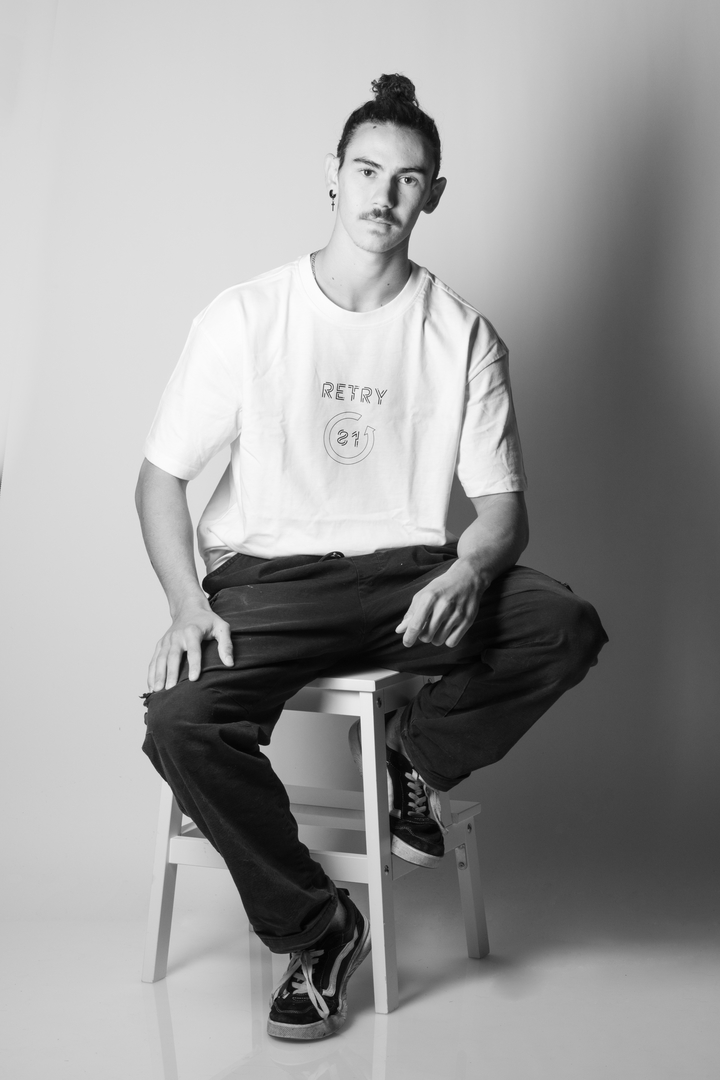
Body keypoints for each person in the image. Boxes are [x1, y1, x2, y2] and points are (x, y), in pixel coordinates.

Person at [136, 74, 608, 1040]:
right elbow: (158, 481)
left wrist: (469, 570)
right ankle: (318, 928)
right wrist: (187, 602)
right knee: (179, 721)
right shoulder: (248, 315)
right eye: (366, 171)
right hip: (270, 582)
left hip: (410, 575)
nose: (383, 196)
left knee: (562, 626)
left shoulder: (461, 333)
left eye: (408, 179)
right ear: (333, 174)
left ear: (434, 194)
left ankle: (411, 758)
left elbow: (503, 513)